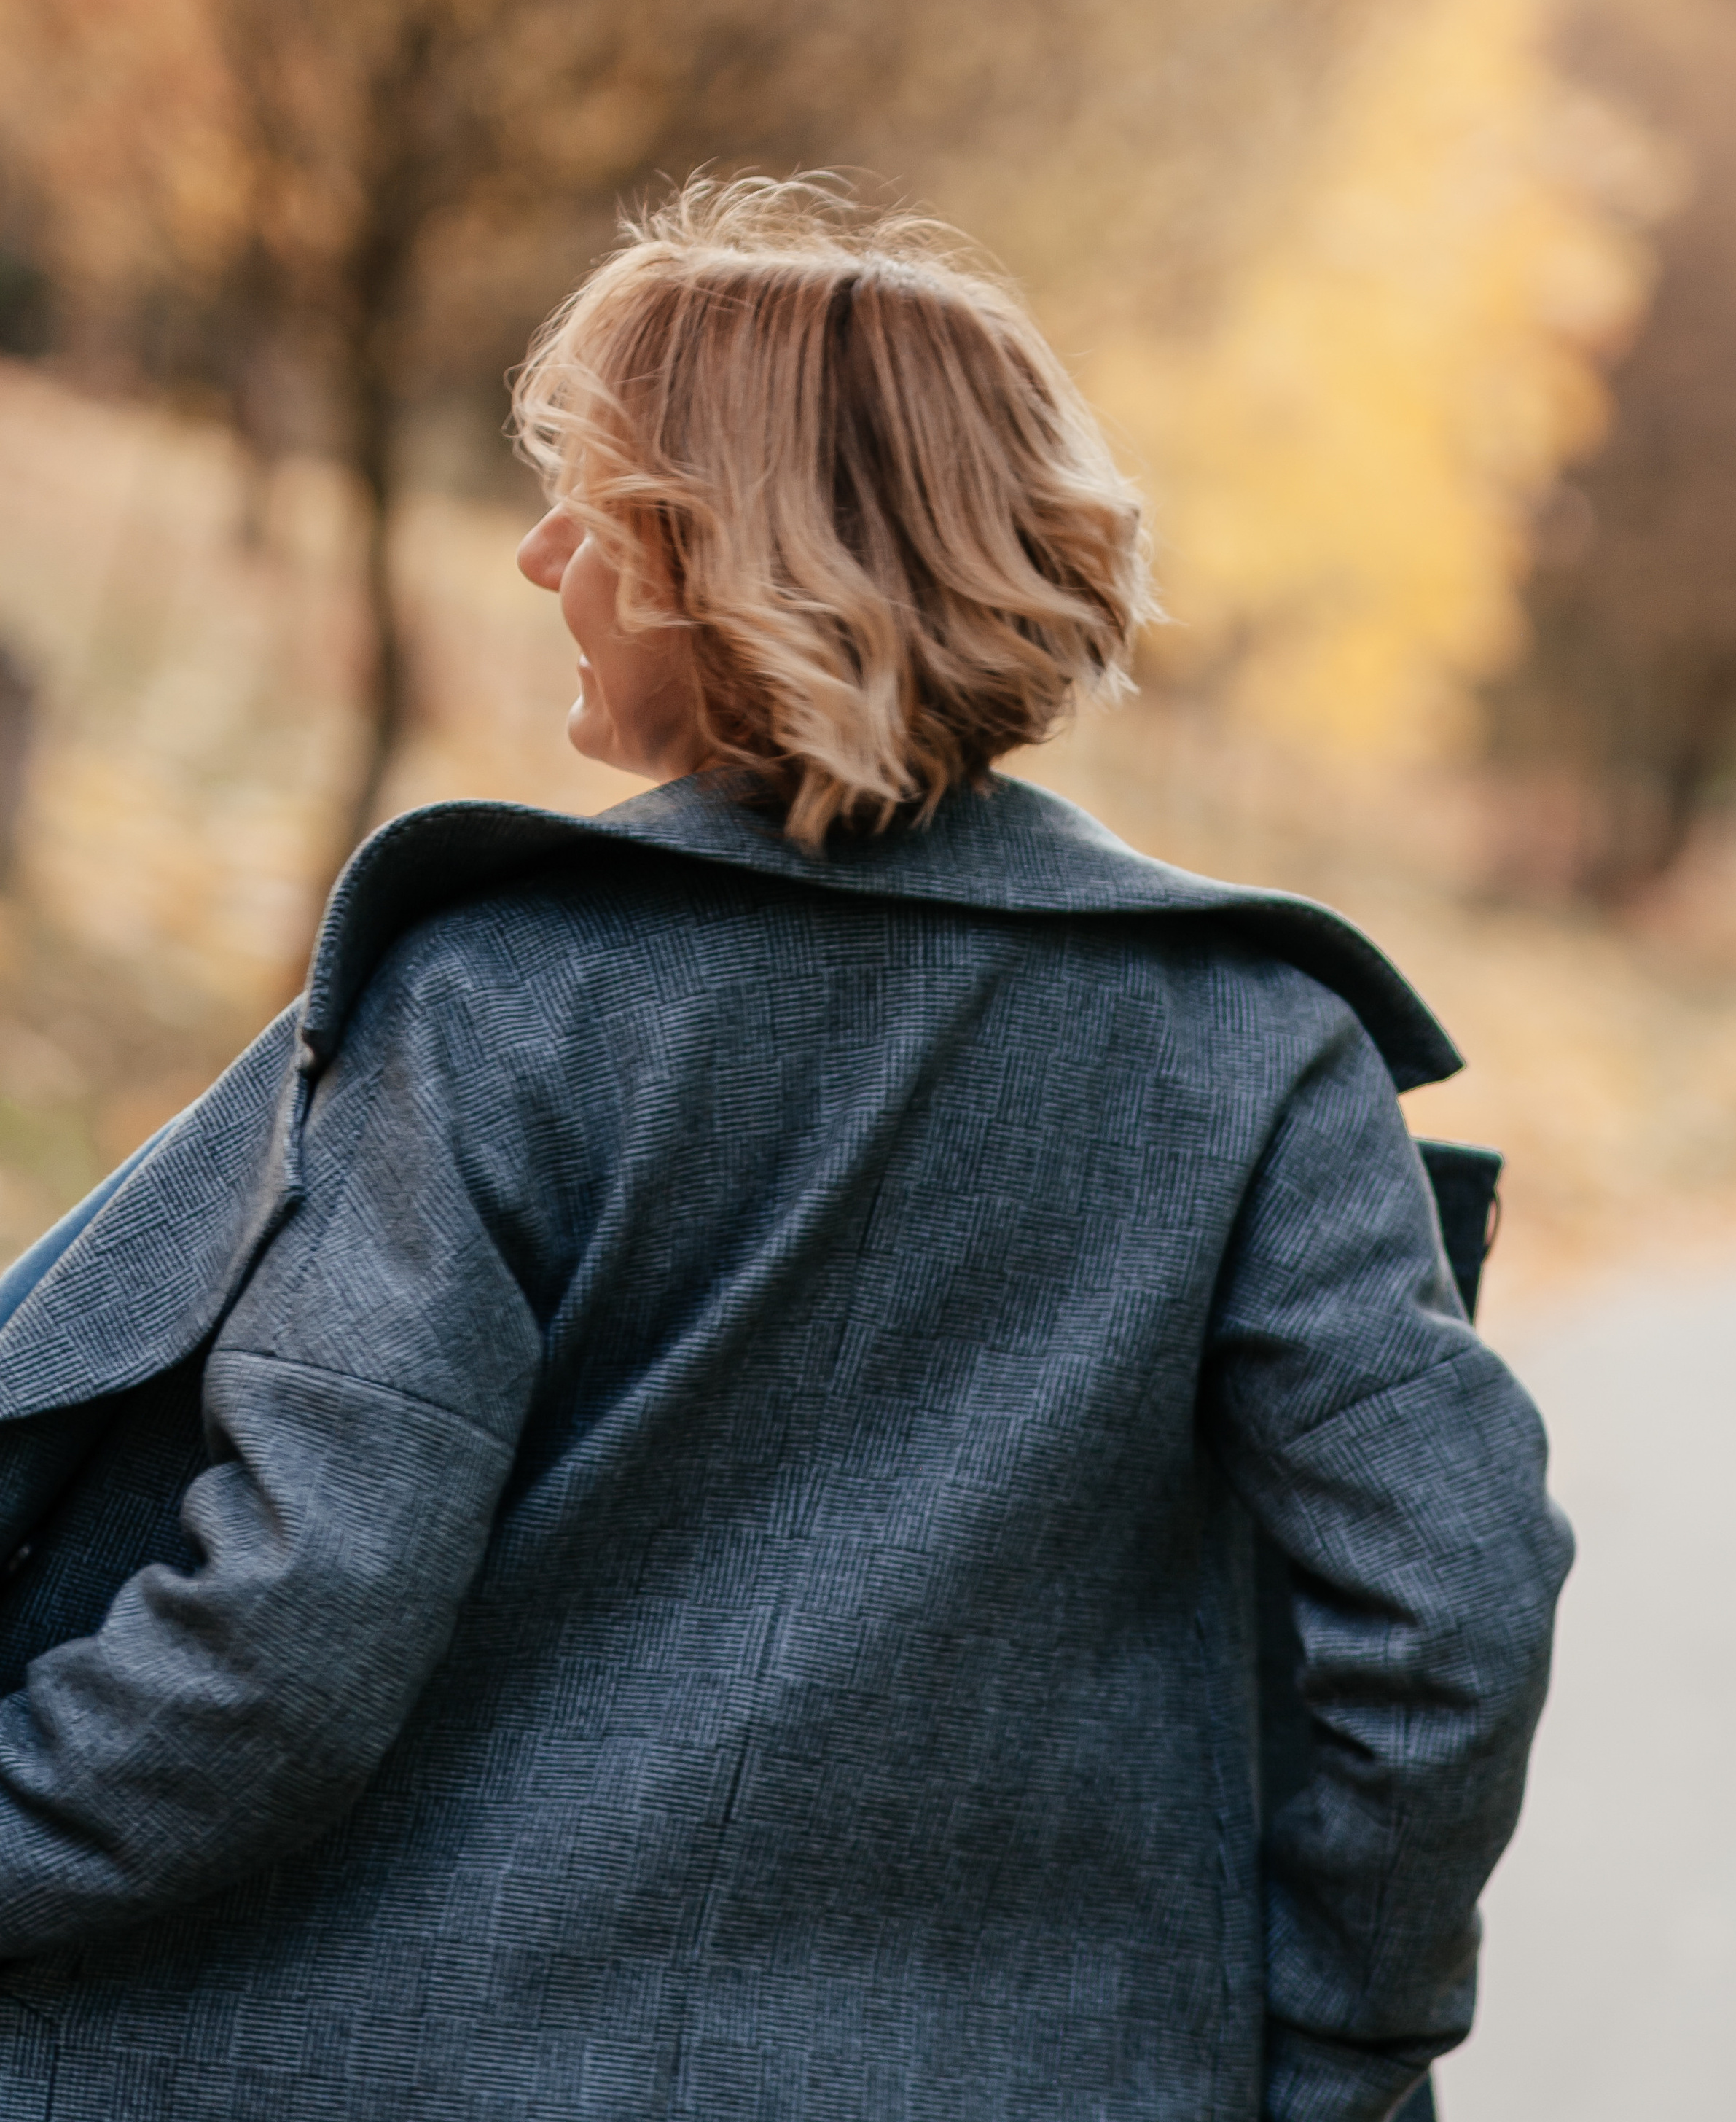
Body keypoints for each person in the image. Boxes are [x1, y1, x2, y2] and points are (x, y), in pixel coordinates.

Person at [0, 179, 1571, 2121]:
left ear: (718, 559)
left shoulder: (499, 1007)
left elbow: (278, 1656)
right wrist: (1342, 2039)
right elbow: (1447, 1606)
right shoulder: (1268, 1047)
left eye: (593, 505)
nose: (539, 556)